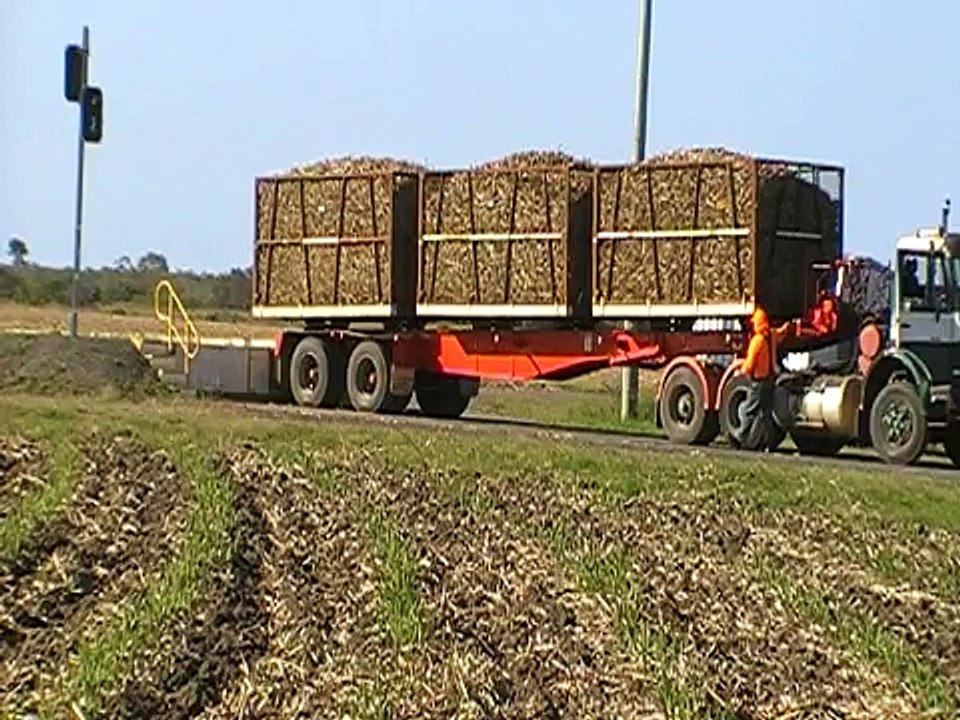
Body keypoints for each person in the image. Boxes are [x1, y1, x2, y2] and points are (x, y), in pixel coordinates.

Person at [736, 306, 797, 451]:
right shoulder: (772, 335)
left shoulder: (757, 341)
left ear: (756, 323)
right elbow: (781, 333)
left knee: (749, 411)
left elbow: (750, 364)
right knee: (766, 414)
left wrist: (741, 372)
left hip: (758, 383)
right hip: (771, 380)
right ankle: (769, 443)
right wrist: (789, 326)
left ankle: (742, 438)